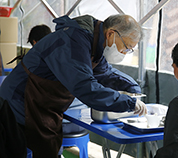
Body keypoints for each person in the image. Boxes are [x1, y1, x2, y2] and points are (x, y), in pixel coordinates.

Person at [0, 14, 147, 158]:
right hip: (18, 102)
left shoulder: (94, 44)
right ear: (111, 34)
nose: (125, 53)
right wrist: (128, 102)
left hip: (42, 107)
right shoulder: (73, 41)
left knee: (48, 148)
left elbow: (105, 73)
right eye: (127, 48)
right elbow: (85, 87)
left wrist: (132, 88)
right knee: (17, 150)